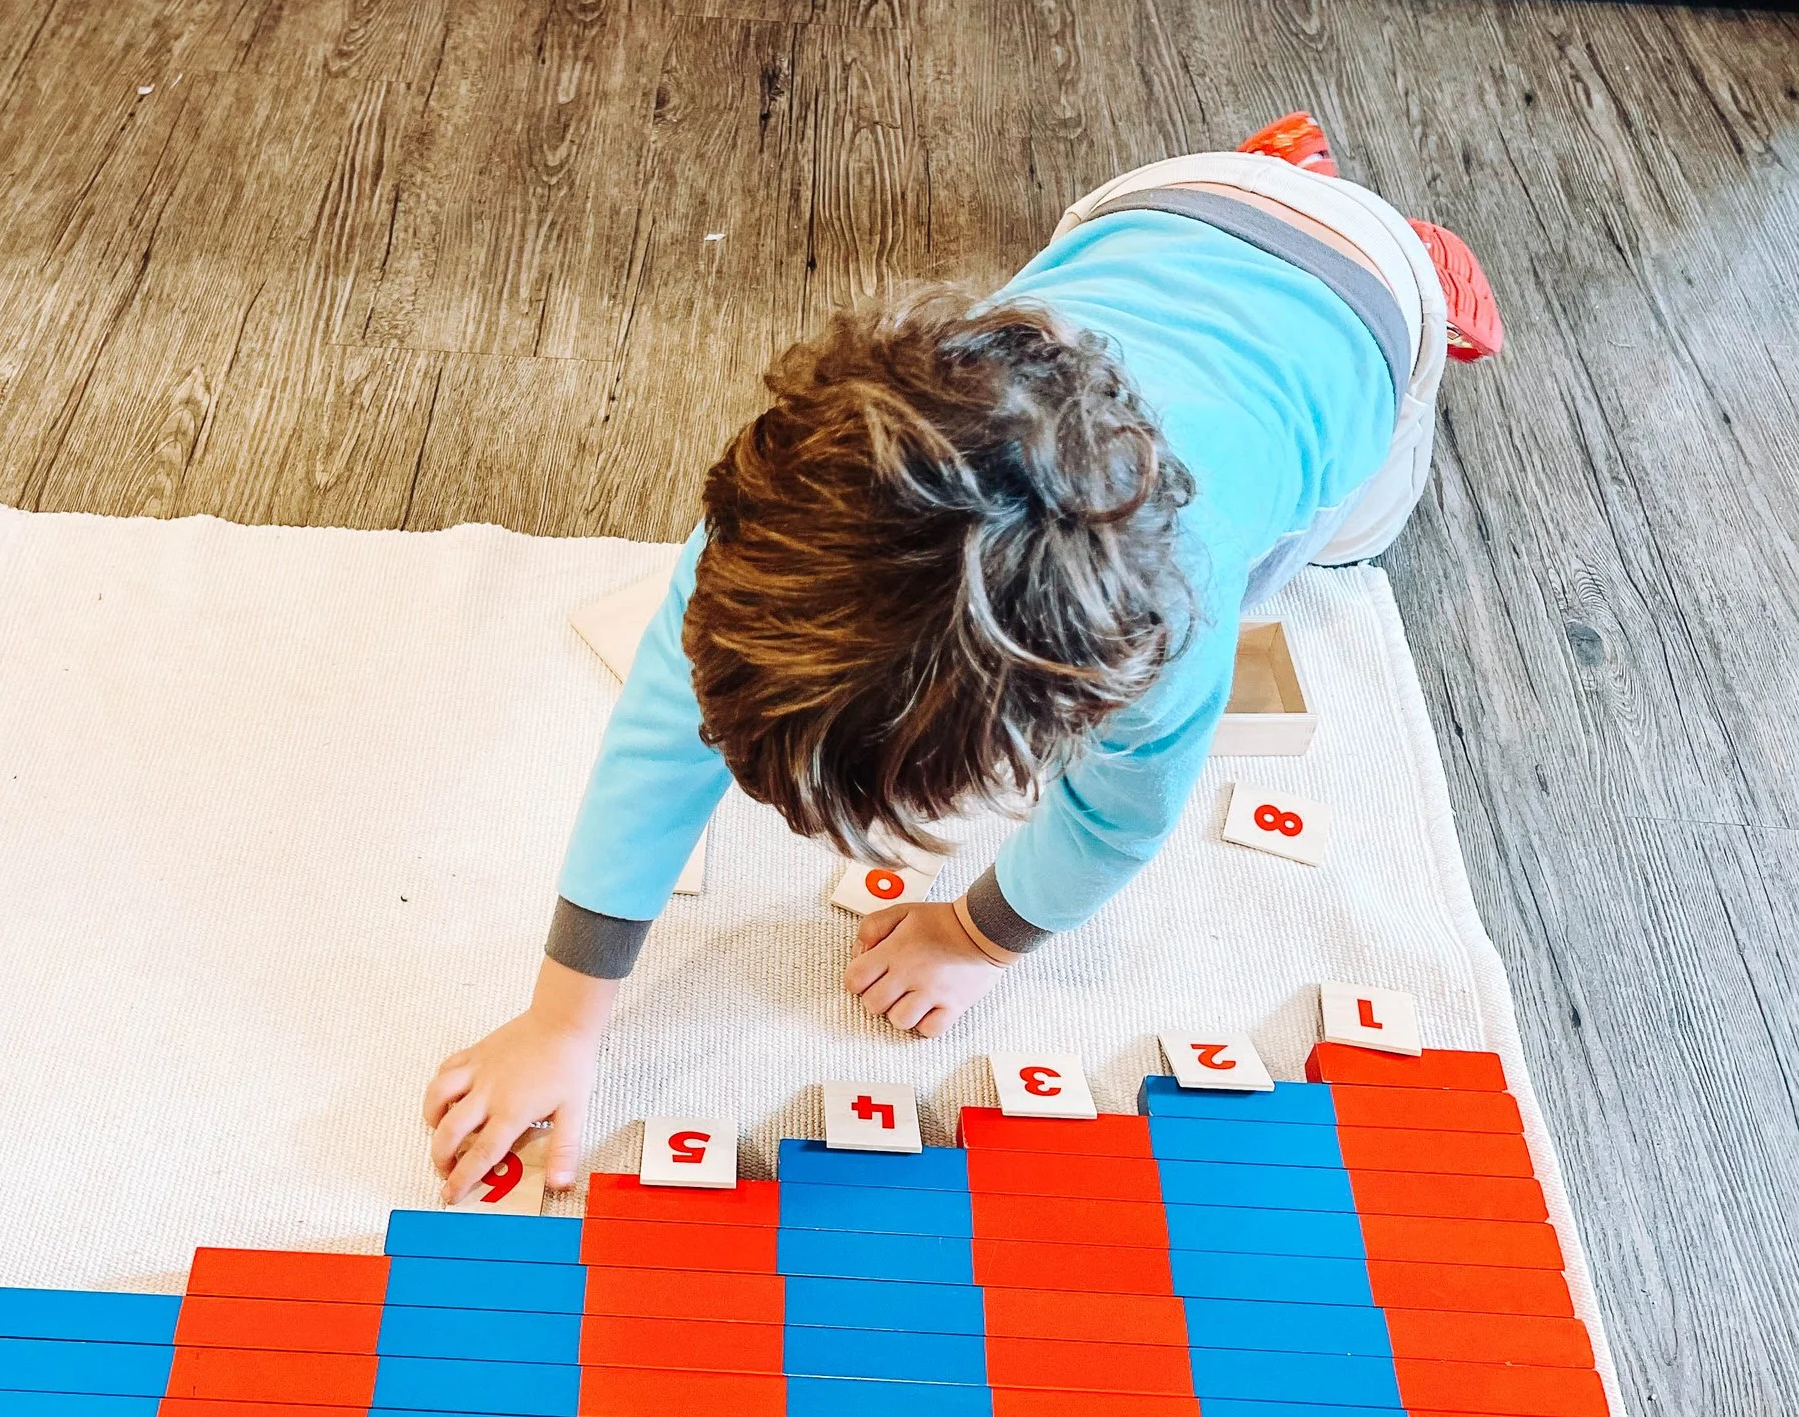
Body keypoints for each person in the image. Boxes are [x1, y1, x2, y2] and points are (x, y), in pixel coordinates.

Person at [423, 115, 1501, 1203]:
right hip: (1157, 206)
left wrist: (978, 936)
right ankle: (1285, 183)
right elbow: (665, 729)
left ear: (1077, 713)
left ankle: (1411, 251)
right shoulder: (781, 529)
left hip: (1372, 314)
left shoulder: (1177, 627)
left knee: (1355, 534)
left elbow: (1118, 818)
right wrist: (566, 1015)